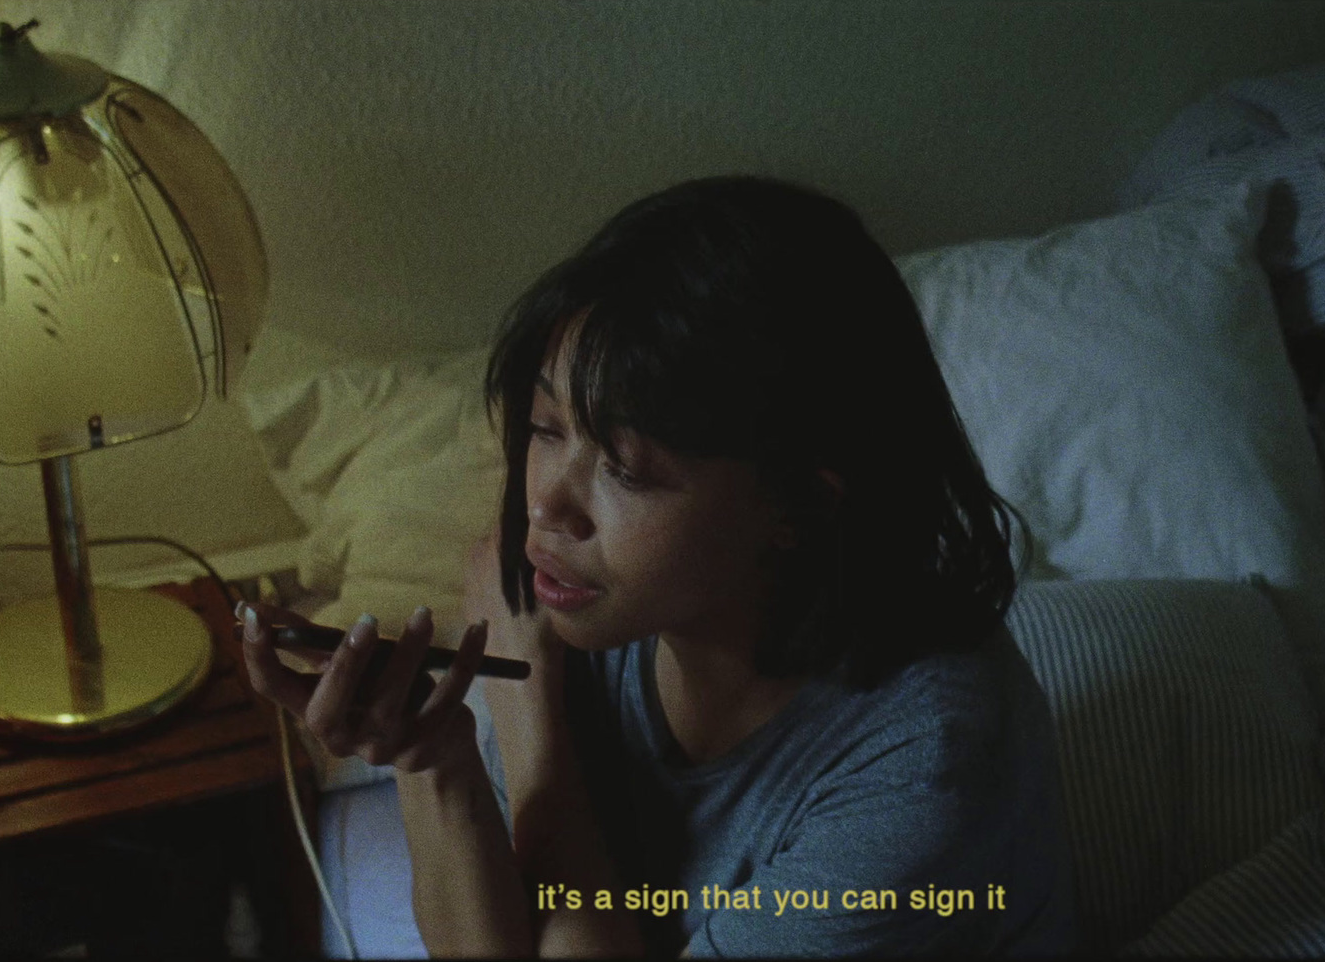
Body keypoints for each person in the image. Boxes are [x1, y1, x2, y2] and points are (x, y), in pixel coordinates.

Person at [238, 176, 1076, 958]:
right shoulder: (609, 605)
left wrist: (531, 710)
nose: (548, 510)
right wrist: (429, 756)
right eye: (546, 427)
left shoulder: (923, 772)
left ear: (799, 505)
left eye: (628, 471)